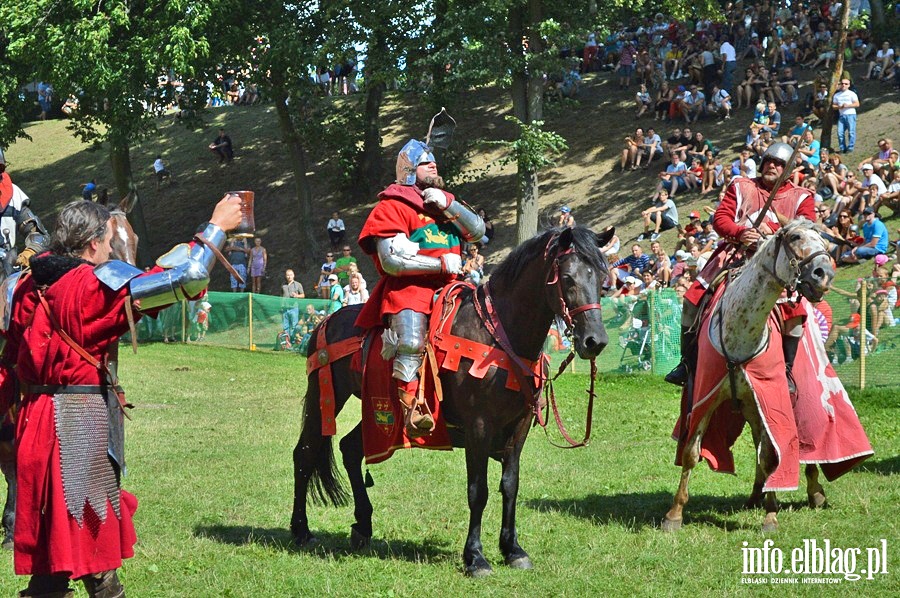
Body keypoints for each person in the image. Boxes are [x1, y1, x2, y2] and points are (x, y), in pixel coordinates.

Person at [3, 196, 241, 598]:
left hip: (33, 423)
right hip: (76, 425)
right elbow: (189, 277)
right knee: (95, 553)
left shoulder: (20, 284)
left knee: (51, 560)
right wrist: (216, 224)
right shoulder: (93, 284)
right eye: (111, 240)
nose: (114, 249)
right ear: (93, 243)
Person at [356, 138, 484, 437]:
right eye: (427, 162)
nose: (434, 165)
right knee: (412, 340)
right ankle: (412, 406)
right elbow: (391, 260)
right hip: (410, 289)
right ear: (410, 170)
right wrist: (440, 264)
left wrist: (449, 204)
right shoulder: (393, 205)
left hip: (454, 288)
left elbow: (477, 232)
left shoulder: (443, 203)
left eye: (434, 162)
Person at [666, 143, 817, 392]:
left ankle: (788, 372)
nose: (772, 165)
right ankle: (687, 363)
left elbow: (805, 229)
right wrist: (740, 232)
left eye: (779, 164)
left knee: (795, 312)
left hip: (778, 264)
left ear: (789, 170)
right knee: (692, 299)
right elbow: (721, 218)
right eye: (769, 160)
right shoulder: (741, 185)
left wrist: (773, 234)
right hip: (735, 255)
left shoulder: (801, 196)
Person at [832, 79, 860, 154]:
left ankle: (850, 147)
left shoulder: (852, 94)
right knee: (840, 132)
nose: (844, 85)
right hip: (841, 115)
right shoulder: (837, 95)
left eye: (846, 84)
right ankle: (842, 148)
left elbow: (857, 104)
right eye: (842, 83)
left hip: (851, 114)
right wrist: (839, 107)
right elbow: (834, 106)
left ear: (849, 85)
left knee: (851, 132)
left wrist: (848, 105)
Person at [281, 269, 305, 334]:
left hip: (294, 308)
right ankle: (287, 341)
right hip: (285, 308)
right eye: (288, 275)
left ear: (293, 275)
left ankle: (293, 340)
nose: (289, 277)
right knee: (285, 326)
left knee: (294, 326)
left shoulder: (298, 284)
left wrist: (297, 295)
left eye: (291, 275)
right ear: (286, 276)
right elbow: (281, 296)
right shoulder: (283, 285)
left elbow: (303, 295)